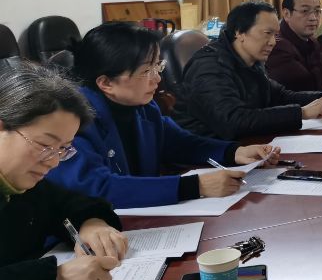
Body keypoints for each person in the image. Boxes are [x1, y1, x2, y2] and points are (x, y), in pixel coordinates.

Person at [45, 22, 279, 209]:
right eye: (146, 71)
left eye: (158, 66)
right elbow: (98, 188)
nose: (157, 78)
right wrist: (193, 186)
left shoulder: (142, 106)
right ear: (106, 83)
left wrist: (234, 152)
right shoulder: (72, 122)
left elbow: (179, 143)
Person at [0, 64, 128, 280]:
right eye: (45, 145)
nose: (54, 161)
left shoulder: (18, 183)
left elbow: (68, 203)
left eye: (63, 149)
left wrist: (93, 223)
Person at [172, 0, 322, 140]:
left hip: (246, 146)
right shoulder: (209, 67)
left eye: (275, 35)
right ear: (239, 32)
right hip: (209, 157)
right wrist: (302, 113)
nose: (273, 42)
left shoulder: (251, 60)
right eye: (267, 33)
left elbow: (280, 96)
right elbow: (233, 121)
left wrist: (321, 99)